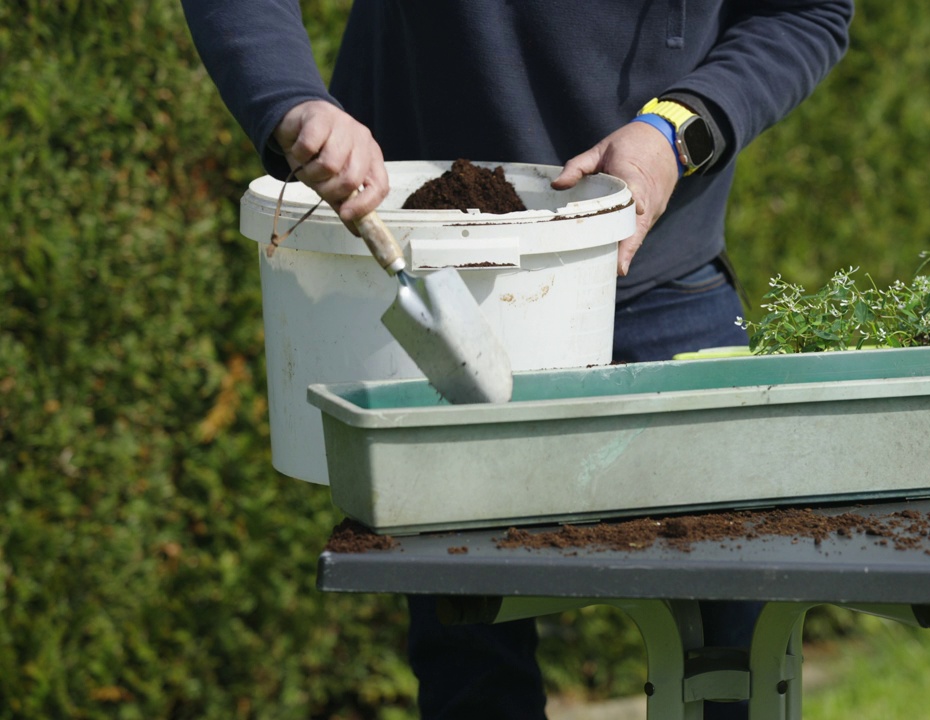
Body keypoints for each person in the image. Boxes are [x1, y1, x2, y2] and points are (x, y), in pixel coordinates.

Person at [182, 2, 853, 717]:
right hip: (437, 268)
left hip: (654, 263)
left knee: (736, 636)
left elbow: (804, 12)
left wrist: (676, 129)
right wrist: (293, 101)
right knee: (471, 656)